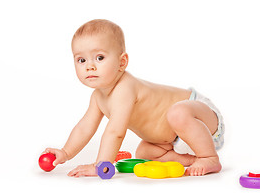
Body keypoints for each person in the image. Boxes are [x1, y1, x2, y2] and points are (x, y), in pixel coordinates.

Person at [42, 19, 225, 177]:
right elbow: (84, 128)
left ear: (122, 62)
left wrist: (101, 165)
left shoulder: (125, 88)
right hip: (174, 140)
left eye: (99, 57)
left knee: (178, 113)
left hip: (200, 117)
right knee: (144, 152)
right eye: (81, 60)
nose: (89, 66)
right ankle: (191, 159)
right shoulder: (98, 97)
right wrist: (65, 152)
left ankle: (208, 157)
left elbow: (115, 132)